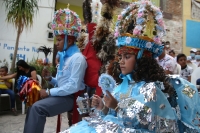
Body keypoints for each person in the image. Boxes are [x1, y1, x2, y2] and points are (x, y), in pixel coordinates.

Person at [61, 1, 200, 132]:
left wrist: (117, 106)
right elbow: (112, 113)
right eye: (120, 57)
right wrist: (103, 107)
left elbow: (154, 123)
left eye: (127, 57)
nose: (121, 61)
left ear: (142, 58)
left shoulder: (150, 88)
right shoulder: (121, 84)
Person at [23, 7, 87, 133]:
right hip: (62, 94)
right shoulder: (65, 57)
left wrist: (48, 91)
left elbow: (73, 86)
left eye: (59, 40)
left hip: (71, 97)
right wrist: (50, 79)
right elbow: (61, 82)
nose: (56, 43)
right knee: (32, 107)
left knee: (37, 109)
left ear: (69, 40)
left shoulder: (78, 58)